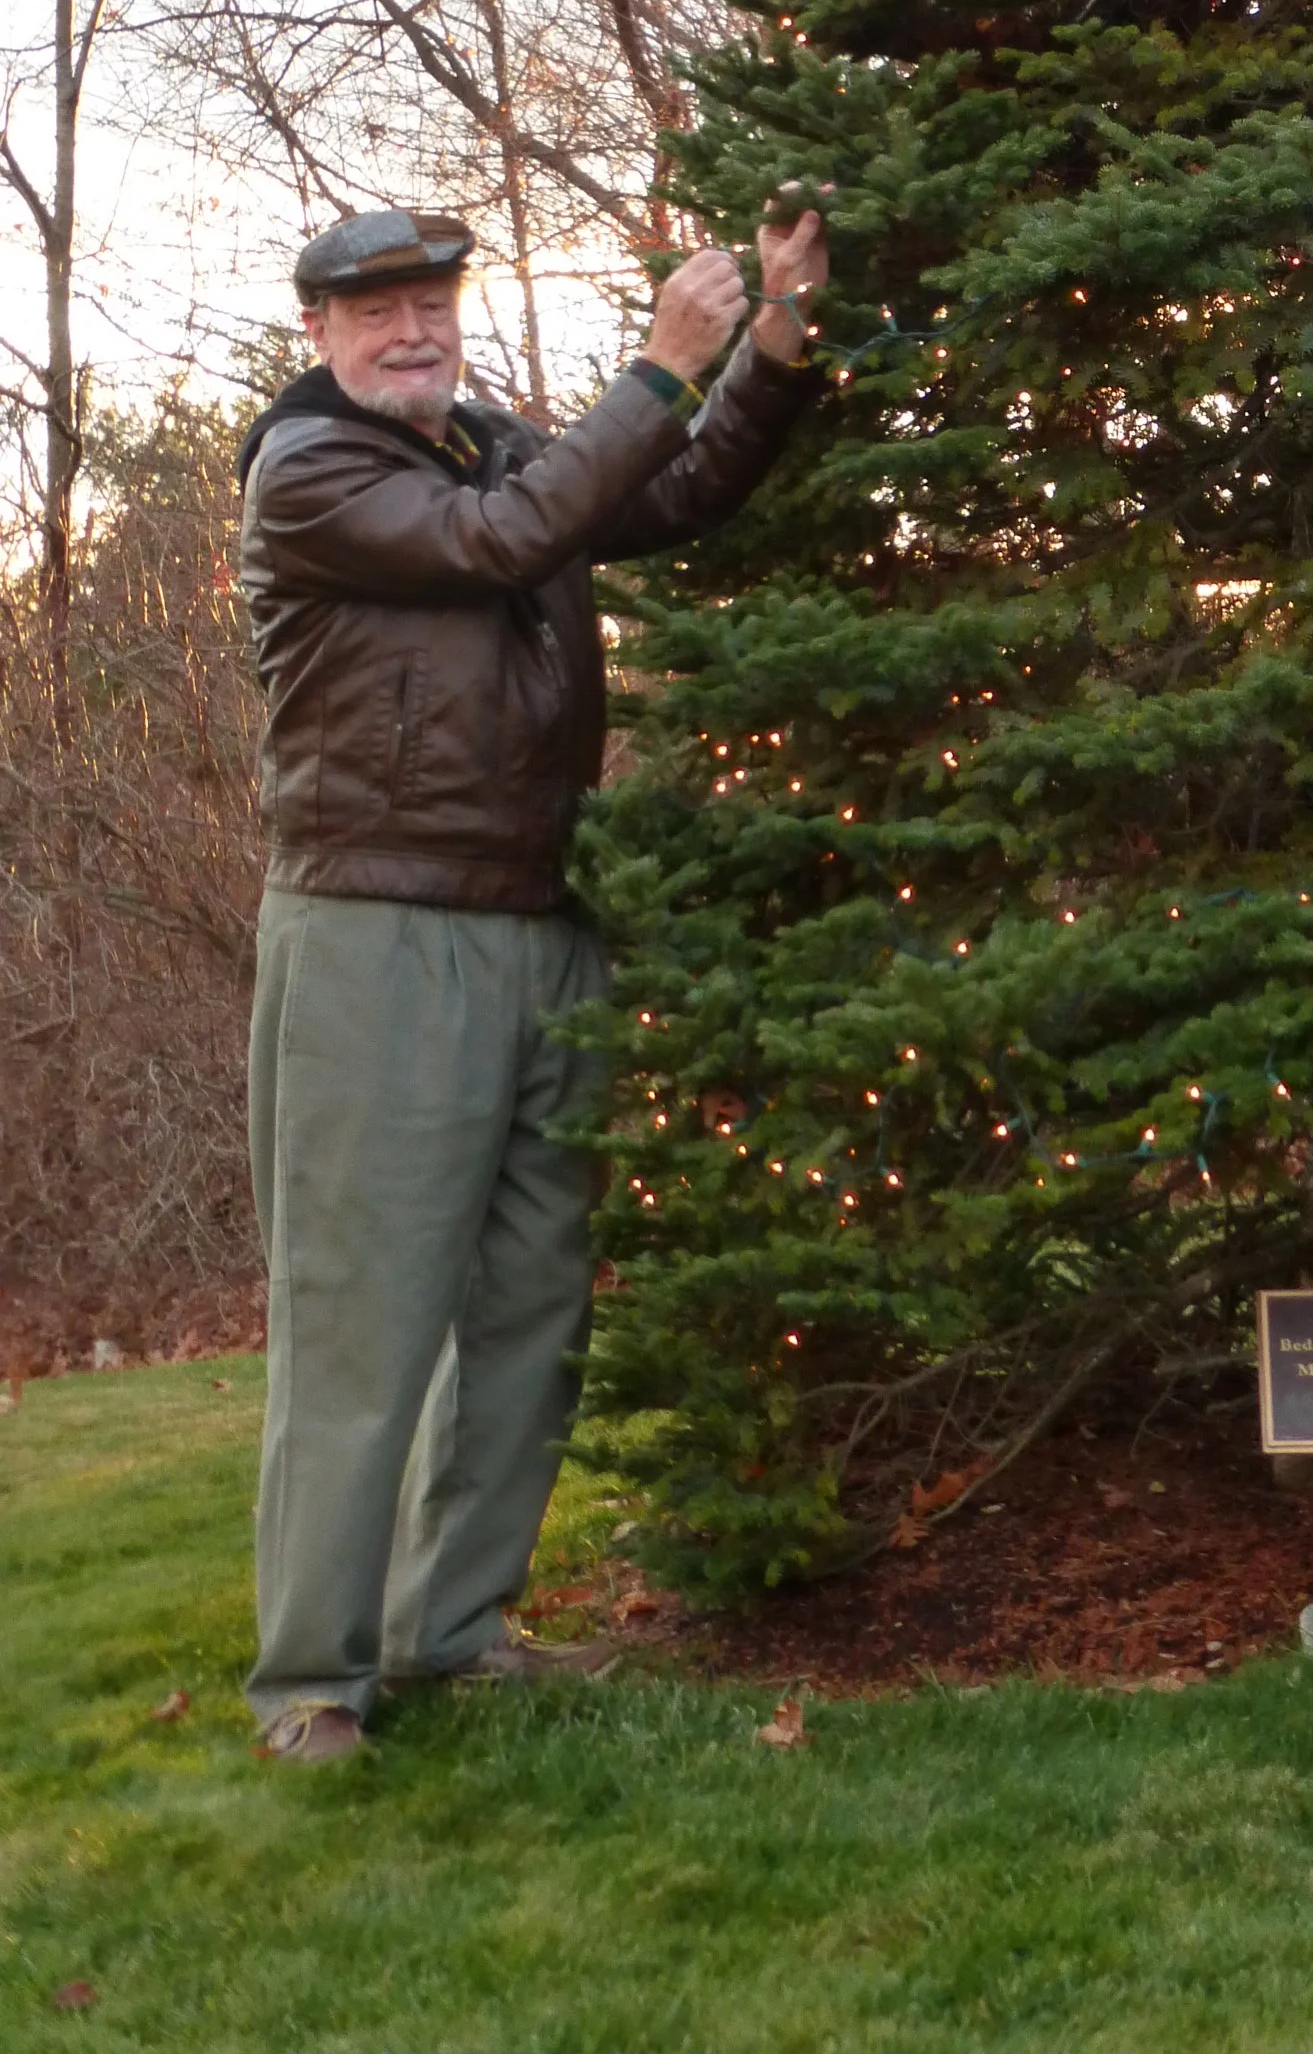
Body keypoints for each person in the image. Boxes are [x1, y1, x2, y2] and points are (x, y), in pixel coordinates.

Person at [234, 196, 827, 1763]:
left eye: (431, 302)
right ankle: (310, 1679)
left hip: (540, 922)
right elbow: (513, 541)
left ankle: (452, 1632)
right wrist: (653, 370)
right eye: (378, 314)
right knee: (363, 1318)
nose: (412, 331)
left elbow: (672, 495)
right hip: (377, 932)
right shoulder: (311, 473)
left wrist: (762, 345)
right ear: (321, 336)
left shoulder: (486, 445)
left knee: (529, 1302)